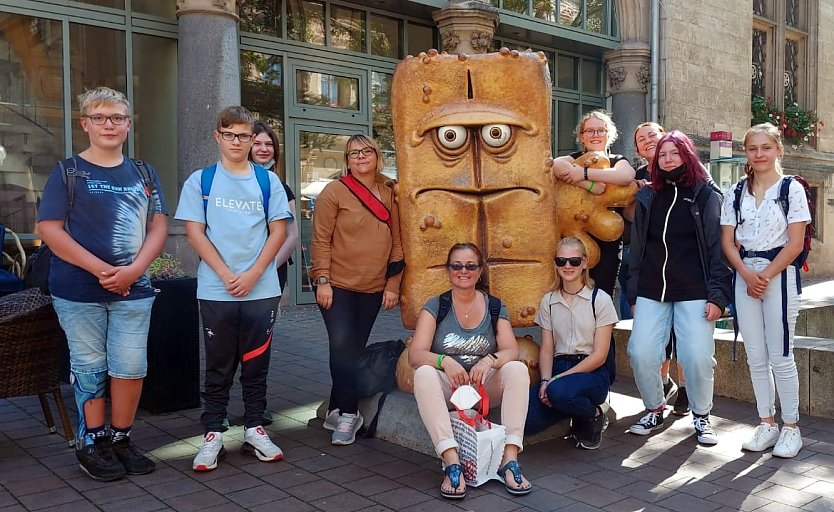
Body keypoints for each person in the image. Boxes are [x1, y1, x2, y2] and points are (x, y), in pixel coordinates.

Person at [37, 86, 168, 481]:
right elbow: (49, 229)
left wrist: (134, 270)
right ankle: (92, 441)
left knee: (130, 366)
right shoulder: (67, 172)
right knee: (90, 367)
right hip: (78, 291)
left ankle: (121, 437)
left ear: (128, 124)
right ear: (85, 124)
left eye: (117, 117)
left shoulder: (144, 172)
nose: (108, 124)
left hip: (134, 289)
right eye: (99, 117)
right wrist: (101, 270)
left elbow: (158, 224)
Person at [175, 106, 293, 471]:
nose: (237, 142)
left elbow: (278, 231)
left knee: (257, 363)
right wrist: (226, 274)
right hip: (216, 288)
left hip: (261, 289)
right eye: (230, 135)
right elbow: (195, 232)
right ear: (218, 136)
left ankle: (255, 427)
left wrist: (255, 272)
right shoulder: (201, 181)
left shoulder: (267, 181)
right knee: (219, 364)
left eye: (243, 135)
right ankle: (212, 433)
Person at [626, 130, 732, 445]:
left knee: (696, 356)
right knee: (641, 352)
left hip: (695, 290)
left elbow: (718, 249)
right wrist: (633, 291)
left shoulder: (705, 195)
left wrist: (718, 295)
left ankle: (701, 415)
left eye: (674, 153)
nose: (668, 159)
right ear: (655, 160)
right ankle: (655, 408)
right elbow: (637, 247)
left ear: (686, 155)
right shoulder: (648, 196)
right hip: (651, 290)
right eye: (663, 154)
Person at [409, 243, 531, 499]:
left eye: (470, 266)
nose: (463, 271)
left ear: (480, 270)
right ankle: (451, 460)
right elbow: (415, 354)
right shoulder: (437, 306)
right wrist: (445, 360)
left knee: (517, 370)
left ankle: (509, 459)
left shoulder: (495, 306)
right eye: (456, 266)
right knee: (423, 373)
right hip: (449, 387)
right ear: (448, 270)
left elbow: (510, 349)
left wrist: (489, 360)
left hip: (482, 385)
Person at [720, 123, 810, 458]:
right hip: (745, 276)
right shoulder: (735, 192)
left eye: (765, 148)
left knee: (780, 354)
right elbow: (727, 243)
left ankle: (791, 427)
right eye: (753, 149)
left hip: (779, 275)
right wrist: (745, 273)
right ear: (747, 153)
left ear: (778, 151)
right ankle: (766, 422)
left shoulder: (792, 189)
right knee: (756, 355)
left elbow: (796, 243)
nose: (759, 154)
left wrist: (765, 276)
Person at [310, 134, 404, 445]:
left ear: (377, 155)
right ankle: (349, 415)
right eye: (353, 153)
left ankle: (335, 408)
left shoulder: (391, 192)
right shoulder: (333, 192)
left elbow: (398, 243)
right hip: (336, 286)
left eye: (366, 152)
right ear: (347, 160)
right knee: (341, 343)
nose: (360, 157)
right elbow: (320, 240)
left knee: (351, 348)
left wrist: (393, 285)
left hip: (373, 287)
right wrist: (322, 280)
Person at [525, 237, 617, 450]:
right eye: (561, 261)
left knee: (559, 391)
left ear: (584, 262)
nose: (567, 266)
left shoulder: (599, 299)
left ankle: (594, 414)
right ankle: (572, 408)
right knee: (527, 421)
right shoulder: (548, 300)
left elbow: (600, 356)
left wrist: (556, 382)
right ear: (555, 264)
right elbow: (547, 348)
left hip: (591, 371)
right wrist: (545, 381)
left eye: (574, 261)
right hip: (558, 367)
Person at [624, 122, 689, 416]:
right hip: (650, 265)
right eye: (641, 138)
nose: (648, 140)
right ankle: (663, 383)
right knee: (656, 336)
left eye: (653, 134)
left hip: (683, 267)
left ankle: (687, 389)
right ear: (637, 149)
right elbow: (629, 218)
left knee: (683, 334)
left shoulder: (690, 172)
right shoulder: (636, 177)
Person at [551, 110, 636, 296]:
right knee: (571, 292)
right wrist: (590, 185)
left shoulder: (616, 160)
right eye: (589, 131)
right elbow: (555, 164)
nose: (595, 135)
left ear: (609, 134)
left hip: (608, 242)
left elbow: (626, 176)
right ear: (581, 136)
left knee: (601, 295)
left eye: (600, 130)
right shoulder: (574, 158)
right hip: (574, 240)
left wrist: (583, 174)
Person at [249, 121, 298, 294]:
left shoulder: (282, 188)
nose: (264, 149)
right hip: (239, 268)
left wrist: (266, 270)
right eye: (257, 144)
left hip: (273, 270)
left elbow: (292, 235)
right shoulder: (233, 185)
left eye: (269, 144)